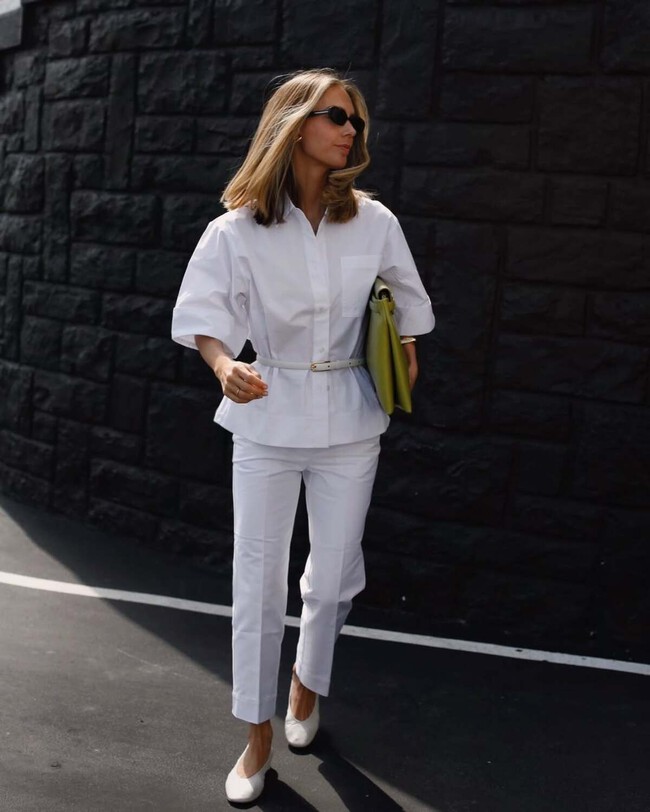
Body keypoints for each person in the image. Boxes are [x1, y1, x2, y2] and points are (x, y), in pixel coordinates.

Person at [171, 68, 435, 803]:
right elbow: (203, 316)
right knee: (258, 576)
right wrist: (224, 365)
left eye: (355, 120)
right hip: (267, 414)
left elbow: (409, 303)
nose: (350, 130)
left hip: (352, 414)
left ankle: (307, 684)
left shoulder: (374, 221)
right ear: (293, 124)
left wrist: (403, 343)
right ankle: (255, 733)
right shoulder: (235, 229)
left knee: (335, 571)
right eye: (334, 116)